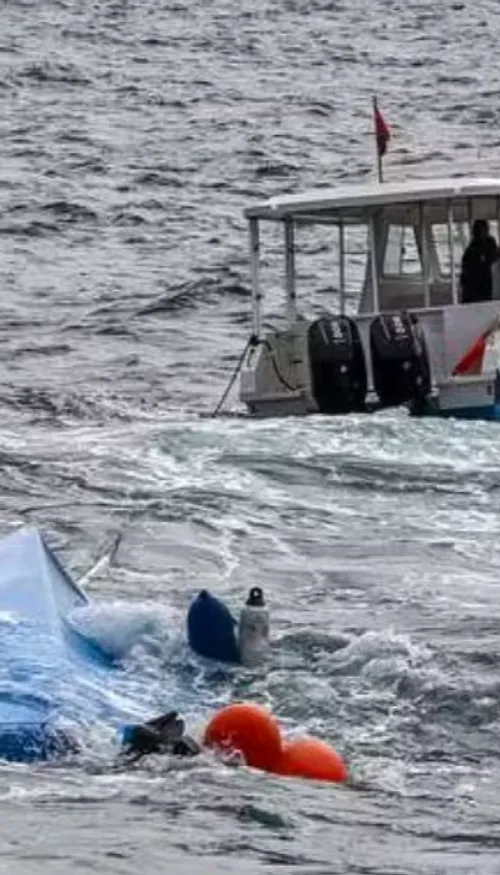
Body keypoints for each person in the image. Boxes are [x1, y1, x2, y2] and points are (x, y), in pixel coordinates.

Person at [460, 219, 499, 304]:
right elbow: (466, 272)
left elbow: (493, 258)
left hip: (484, 285)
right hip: (473, 288)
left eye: (481, 230)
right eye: (476, 230)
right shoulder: (471, 250)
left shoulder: (489, 243)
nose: (477, 233)